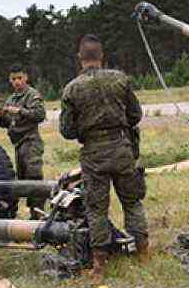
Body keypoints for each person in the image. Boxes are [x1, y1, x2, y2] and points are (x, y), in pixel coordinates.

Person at [59, 35, 149, 273]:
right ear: (101, 56)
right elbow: (135, 115)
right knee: (132, 202)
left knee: (96, 208)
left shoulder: (71, 89)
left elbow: (66, 130)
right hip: (122, 148)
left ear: (80, 58)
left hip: (94, 153)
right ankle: (143, 253)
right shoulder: (120, 80)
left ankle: (99, 263)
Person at [0, 66, 47, 216]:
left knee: (34, 176)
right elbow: (7, 124)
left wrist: (20, 111)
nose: (17, 82)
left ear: (26, 78)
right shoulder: (11, 99)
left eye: (19, 78)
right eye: (13, 79)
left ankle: (38, 213)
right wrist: (1, 115)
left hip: (31, 141)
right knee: (23, 179)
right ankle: (32, 212)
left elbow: (40, 114)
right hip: (18, 143)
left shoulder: (32, 95)